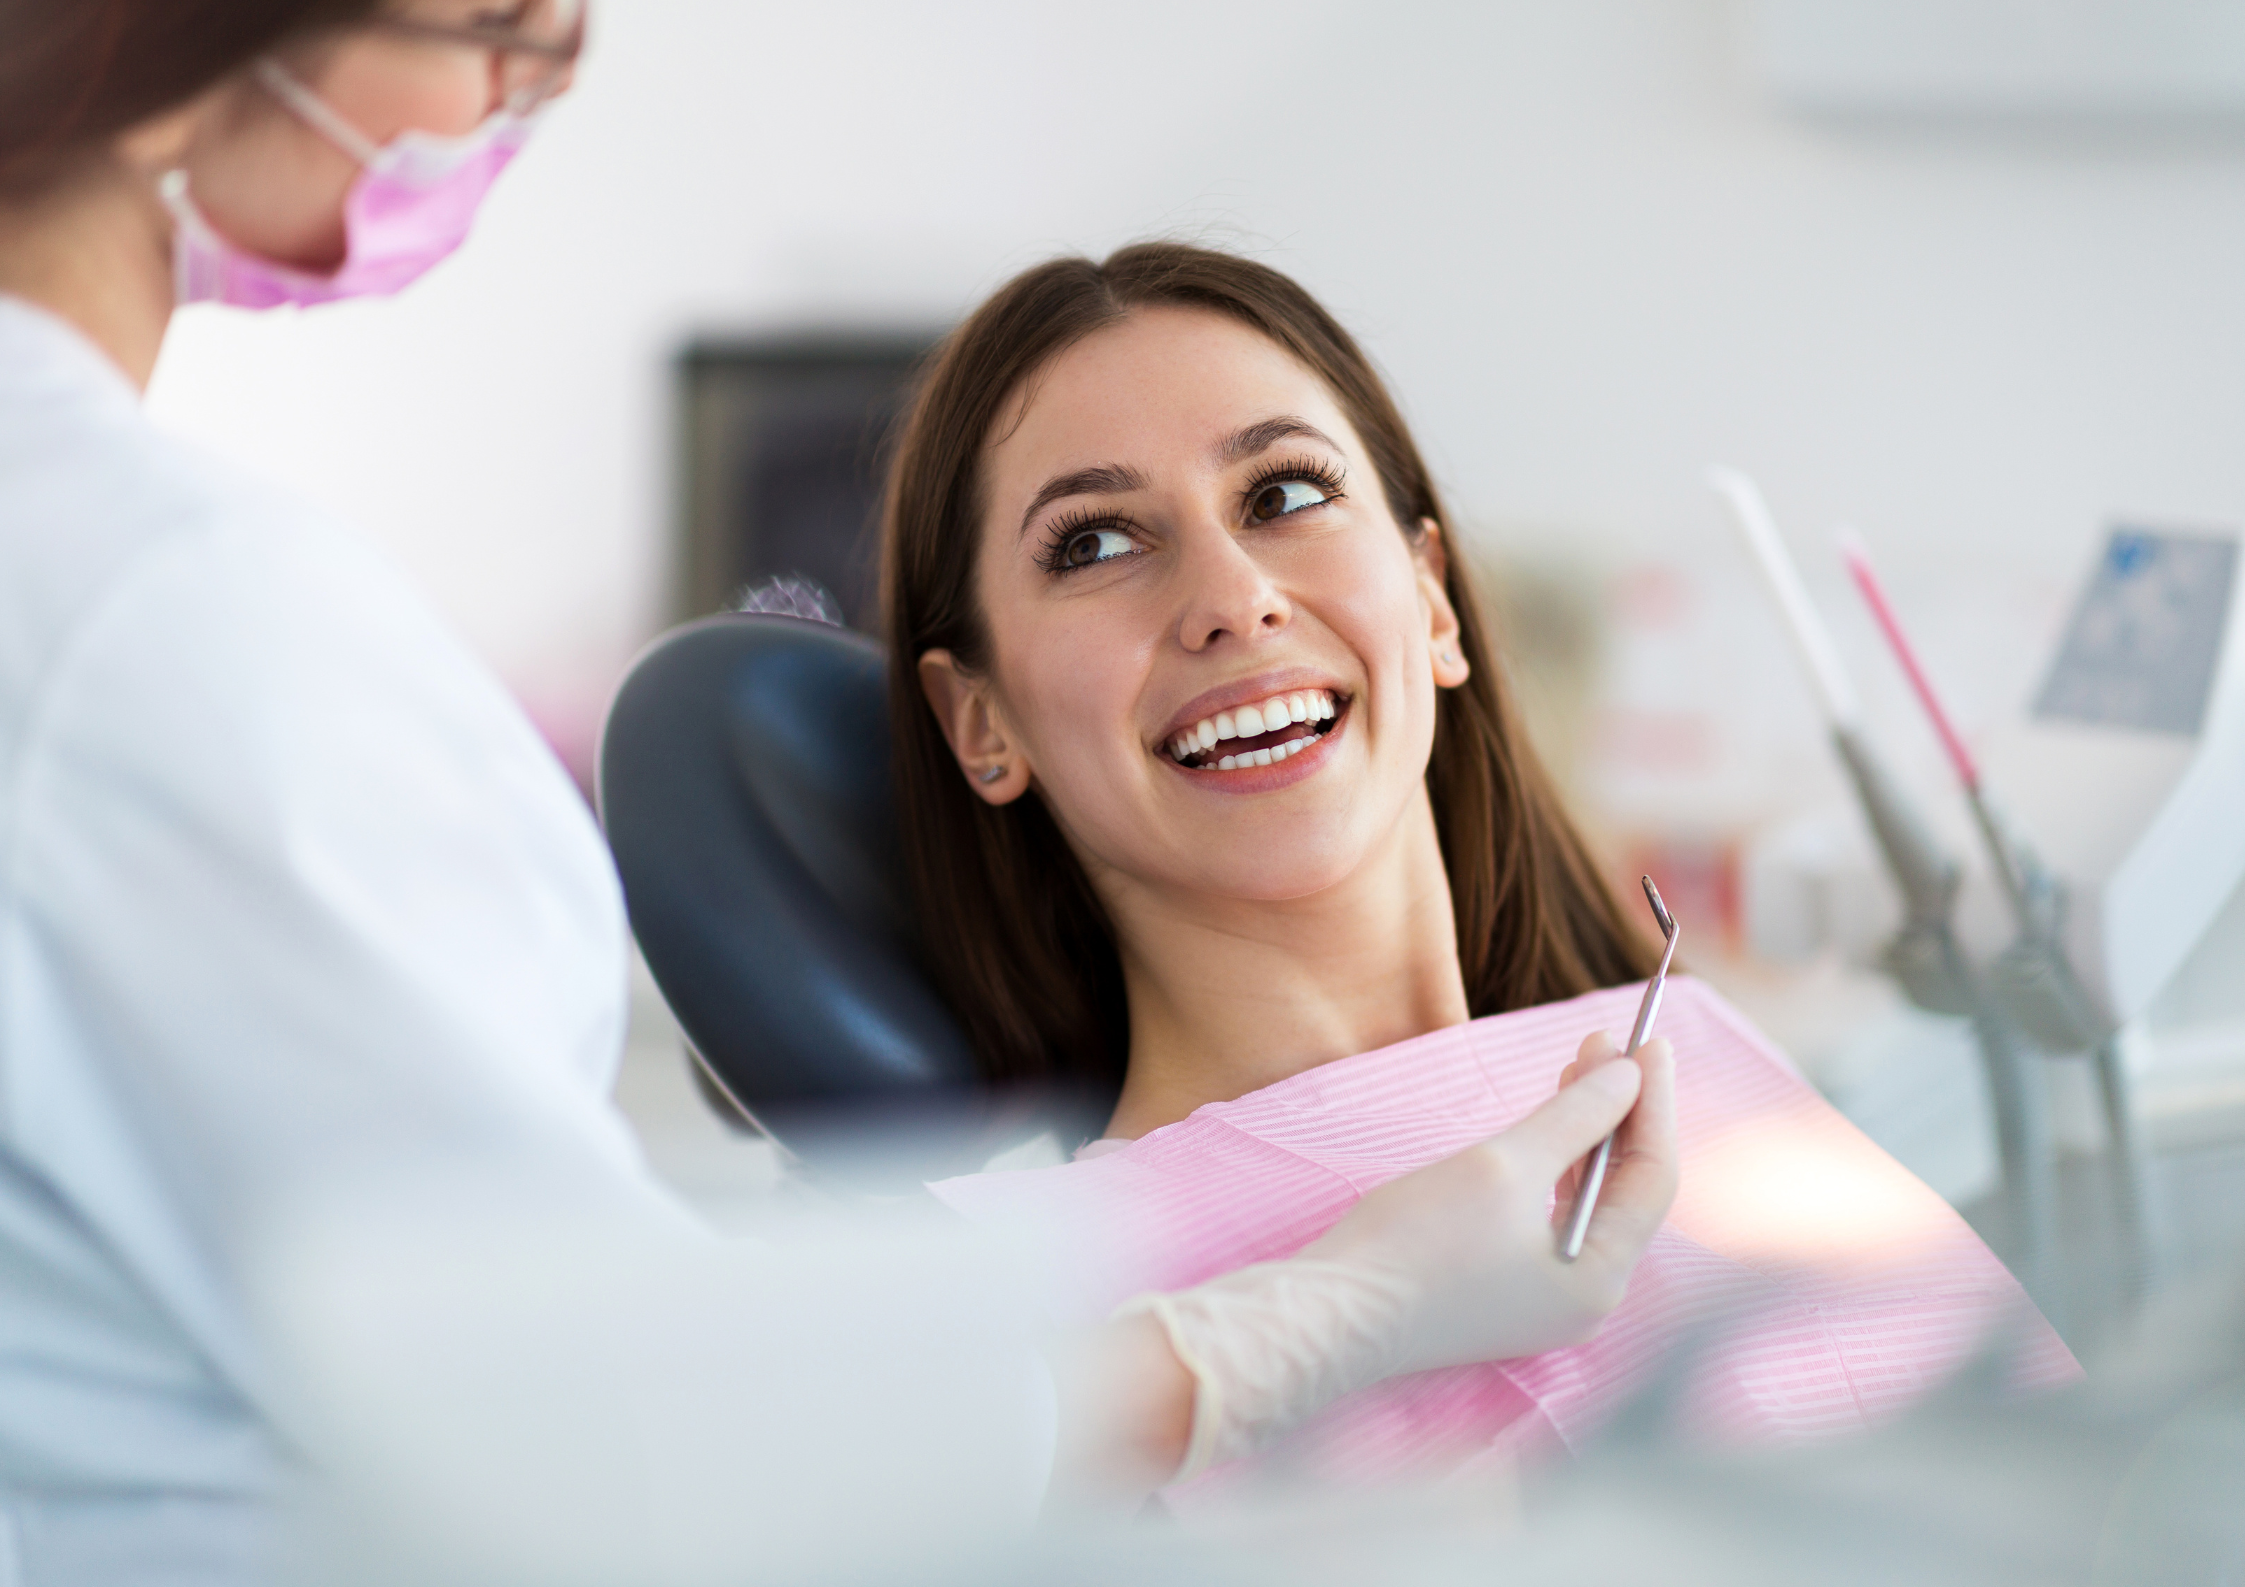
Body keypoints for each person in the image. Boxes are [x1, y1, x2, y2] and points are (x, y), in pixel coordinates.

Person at [0, 7, 1679, 1581]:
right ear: (976, 725)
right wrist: (1305, 1328)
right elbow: (608, 1431)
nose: (1233, 596)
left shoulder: (1730, 1107)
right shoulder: (160, 621)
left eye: (1292, 488)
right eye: (487, 25)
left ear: (1439, 598)